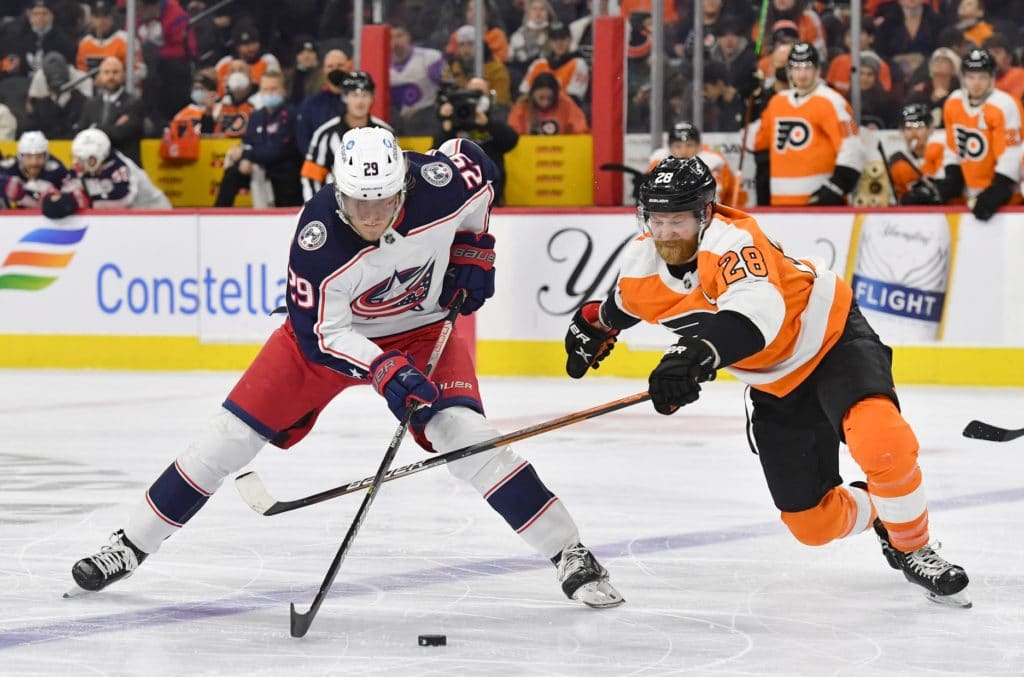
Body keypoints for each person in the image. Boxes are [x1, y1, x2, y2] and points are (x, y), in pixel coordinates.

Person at [67, 127, 625, 611]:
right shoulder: (318, 240)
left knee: (466, 438)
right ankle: (130, 544)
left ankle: (569, 551)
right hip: (326, 340)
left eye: (384, 202)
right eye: (359, 204)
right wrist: (384, 368)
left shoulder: (437, 184)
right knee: (227, 437)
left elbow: (474, 164)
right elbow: (322, 336)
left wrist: (474, 244)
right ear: (339, 192)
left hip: (423, 330)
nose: (372, 217)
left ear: (404, 186)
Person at [562, 154, 971, 608]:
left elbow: (758, 313)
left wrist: (693, 355)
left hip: (831, 339)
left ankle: (914, 546)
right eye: (656, 221)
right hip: (774, 382)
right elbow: (620, 307)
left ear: (705, 214)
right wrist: (594, 323)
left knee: (882, 442)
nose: (666, 233)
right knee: (812, 524)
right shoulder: (641, 264)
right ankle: (881, 510)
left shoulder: (734, 240)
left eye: (678, 220)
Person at [750, 41, 864, 206]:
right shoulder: (777, 102)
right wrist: (748, 105)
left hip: (819, 204)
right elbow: (756, 143)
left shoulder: (831, 101)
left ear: (818, 70)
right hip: (780, 205)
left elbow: (853, 148)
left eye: (807, 67)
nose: (802, 74)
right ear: (789, 71)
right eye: (797, 68)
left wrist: (836, 187)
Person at [939, 48, 1023, 221]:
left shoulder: (1005, 105)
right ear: (962, 78)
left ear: (992, 78)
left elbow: (1012, 152)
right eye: (971, 77)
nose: (976, 83)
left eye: (982, 77)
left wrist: (999, 189)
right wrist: (952, 176)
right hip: (969, 197)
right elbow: (952, 146)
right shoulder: (953, 102)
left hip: (1006, 200)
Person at [215, 71, 303, 208]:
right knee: (232, 173)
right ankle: (218, 214)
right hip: (258, 168)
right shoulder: (256, 116)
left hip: (282, 172)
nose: (269, 93)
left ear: (283, 90)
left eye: (273, 89)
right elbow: (248, 142)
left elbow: (276, 151)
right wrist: (245, 157)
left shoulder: (291, 114)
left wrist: (246, 155)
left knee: (284, 177)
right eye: (265, 89)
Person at [301, 71, 392, 202]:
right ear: (345, 97)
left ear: (372, 97)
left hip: (378, 206)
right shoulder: (326, 134)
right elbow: (311, 176)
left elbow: (395, 173)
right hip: (336, 206)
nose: (360, 101)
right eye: (354, 95)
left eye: (365, 95)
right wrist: (317, 206)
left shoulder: (386, 133)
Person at [41, 128, 170, 218]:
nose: (76, 163)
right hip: (131, 218)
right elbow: (66, 190)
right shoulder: (87, 167)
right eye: (76, 157)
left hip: (155, 214)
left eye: (82, 159)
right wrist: (55, 195)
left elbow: (122, 200)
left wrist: (84, 200)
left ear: (97, 158)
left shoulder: (122, 167)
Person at [434, 77, 519, 205]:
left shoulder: (495, 116)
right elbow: (436, 155)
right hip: (456, 197)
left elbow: (511, 141)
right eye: (470, 92)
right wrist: (446, 127)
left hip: (491, 196)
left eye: (479, 93)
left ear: (488, 97)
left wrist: (488, 124)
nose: (473, 98)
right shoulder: (454, 119)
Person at [648, 121, 744, 206]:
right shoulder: (659, 163)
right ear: (670, 147)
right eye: (678, 146)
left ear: (698, 146)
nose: (684, 151)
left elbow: (730, 196)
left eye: (689, 145)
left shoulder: (715, 163)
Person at [75, 57, 145, 165]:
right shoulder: (90, 104)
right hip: (97, 167)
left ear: (123, 75)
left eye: (115, 72)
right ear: (100, 76)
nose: (111, 77)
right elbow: (82, 134)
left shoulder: (133, 103)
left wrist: (95, 127)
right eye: (106, 72)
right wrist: (112, 128)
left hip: (127, 166)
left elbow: (120, 134)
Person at [891, 103, 948, 204]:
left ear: (931, 129)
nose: (914, 133)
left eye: (919, 127)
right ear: (902, 132)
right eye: (908, 128)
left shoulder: (944, 155)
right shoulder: (897, 161)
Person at [295, 48, 351, 153]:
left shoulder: (357, 102)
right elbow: (304, 140)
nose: (335, 70)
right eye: (330, 66)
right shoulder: (311, 104)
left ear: (348, 67)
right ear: (324, 69)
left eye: (340, 65)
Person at [0, 130, 70, 209]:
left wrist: (59, 197)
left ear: (46, 156)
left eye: (39, 156)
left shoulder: (57, 170)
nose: (34, 162)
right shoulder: (7, 169)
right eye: (28, 157)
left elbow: (68, 200)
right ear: (20, 156)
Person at [508, 71, 589, 135]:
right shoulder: (523, 106)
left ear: (556, 95)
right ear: (532, 94)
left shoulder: (565, 103)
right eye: (541, 98)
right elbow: (513, 134)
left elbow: (581, 130)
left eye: (550, 98)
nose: (545, 103)